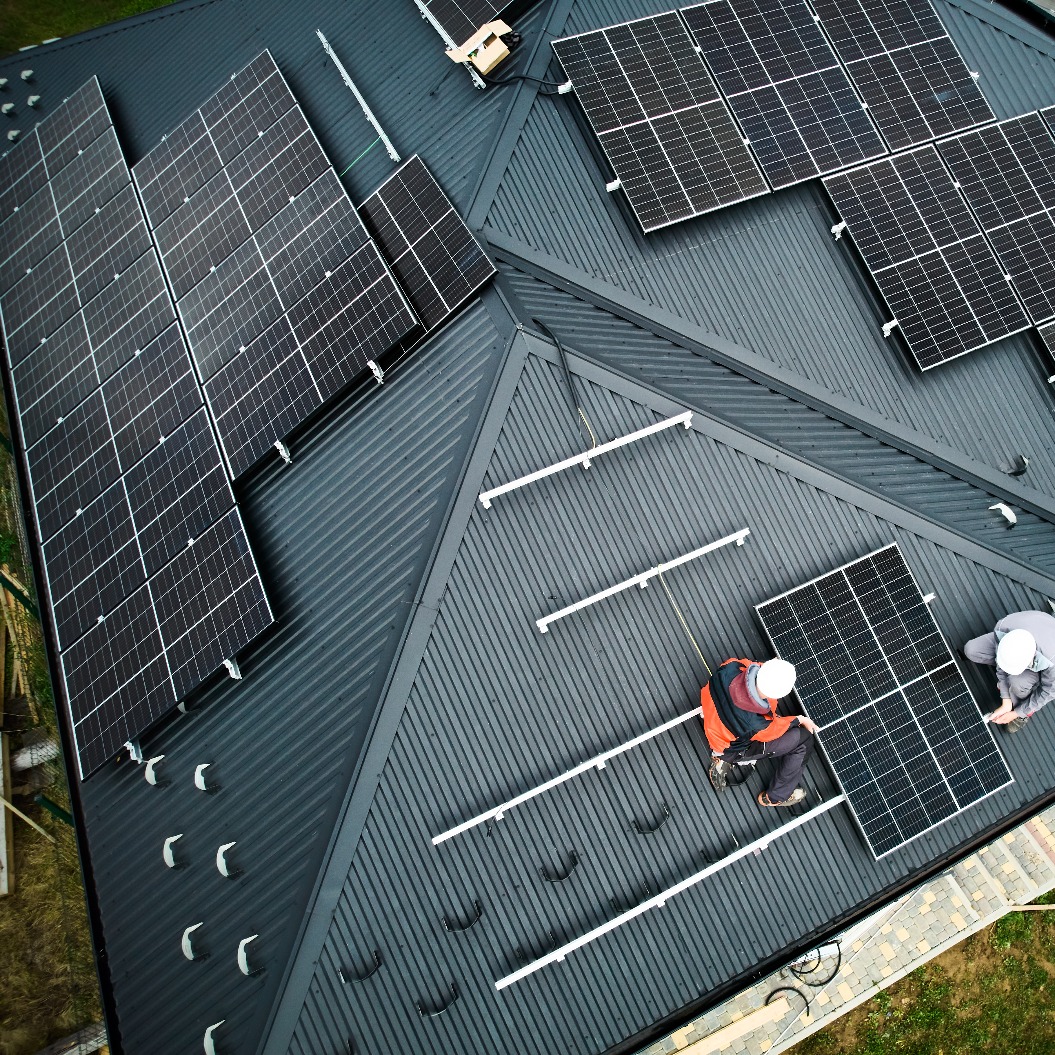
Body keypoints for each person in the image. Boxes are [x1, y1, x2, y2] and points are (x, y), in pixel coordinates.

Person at [700, 656, 818, 807]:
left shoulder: (732, 666)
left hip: (711, 717)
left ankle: (722, 758)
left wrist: (773, 669)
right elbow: (776, 730)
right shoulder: (758, 724)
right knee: (804, 740)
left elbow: (752, 667)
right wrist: (800, 719)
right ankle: (774, 797)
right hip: (727, 746)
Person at [964, 611, 1055, 732]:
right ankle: (1010, 694)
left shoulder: (1051, 661)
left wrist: (1016, 713)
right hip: (1032, 631)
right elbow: (1000, 657)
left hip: (1045, 654)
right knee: (971, 650)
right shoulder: (1004, 627)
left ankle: (1023, 710)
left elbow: (1048, 692)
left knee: (1016, 683)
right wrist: (1006, 698)